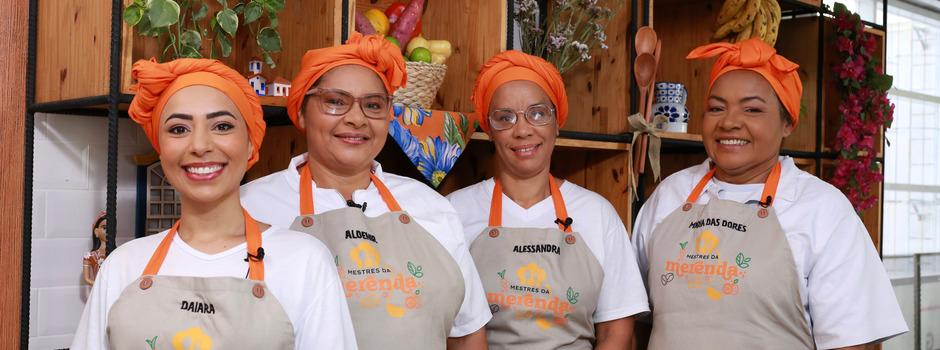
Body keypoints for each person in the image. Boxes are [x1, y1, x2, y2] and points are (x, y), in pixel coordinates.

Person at [631, 38, 907, 349]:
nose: (730, 122)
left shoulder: (823, 210)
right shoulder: (670, 195)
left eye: (752, 109)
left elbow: (852, 341)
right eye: (716, 108)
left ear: (787, 121)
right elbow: (636, 319)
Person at [71, 58, 356, 349]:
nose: (199, 145)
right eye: (179, 129)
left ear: (249, 145)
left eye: (221, 126)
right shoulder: (124, 266)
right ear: (162, 149)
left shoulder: (304, 262)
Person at [240, 33, 490, 350]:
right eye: (335, 101)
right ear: (301, 113)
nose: (356, 118)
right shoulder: (251, 207)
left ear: (388, 116)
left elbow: (467, 334)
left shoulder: (431, 206)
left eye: (373, 105)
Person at [446, 50, 649, 349]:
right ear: (489, 131)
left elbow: (615, 333)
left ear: (557, 122)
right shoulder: (453, 212)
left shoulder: (597, 213)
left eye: (538, 113)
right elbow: (446, 328)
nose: (523, 129)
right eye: (505, 118)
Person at [82, 211, 108, 285]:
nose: (109, 231)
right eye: (105, 228)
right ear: (96, 232)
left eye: (112, 227)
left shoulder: (118, 253)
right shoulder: (90, 256)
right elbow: (87, 279)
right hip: (99, 291)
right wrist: (99, 286)